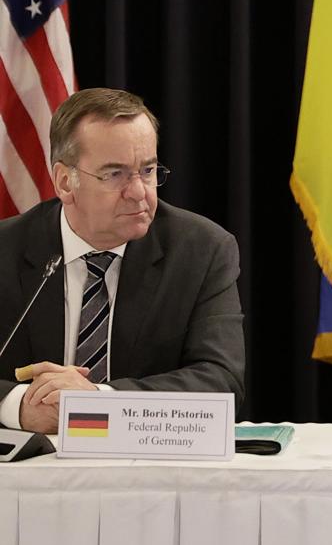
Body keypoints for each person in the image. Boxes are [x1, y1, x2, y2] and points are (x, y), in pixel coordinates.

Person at [0, 88, 246, 434]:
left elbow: (222, 381)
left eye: (147, 170)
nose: (139, 192)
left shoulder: (202, 250)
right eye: (114, 174)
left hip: (151, 475)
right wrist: (20, 407)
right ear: (65, 182)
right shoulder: (6, 250)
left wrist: (98, 400)